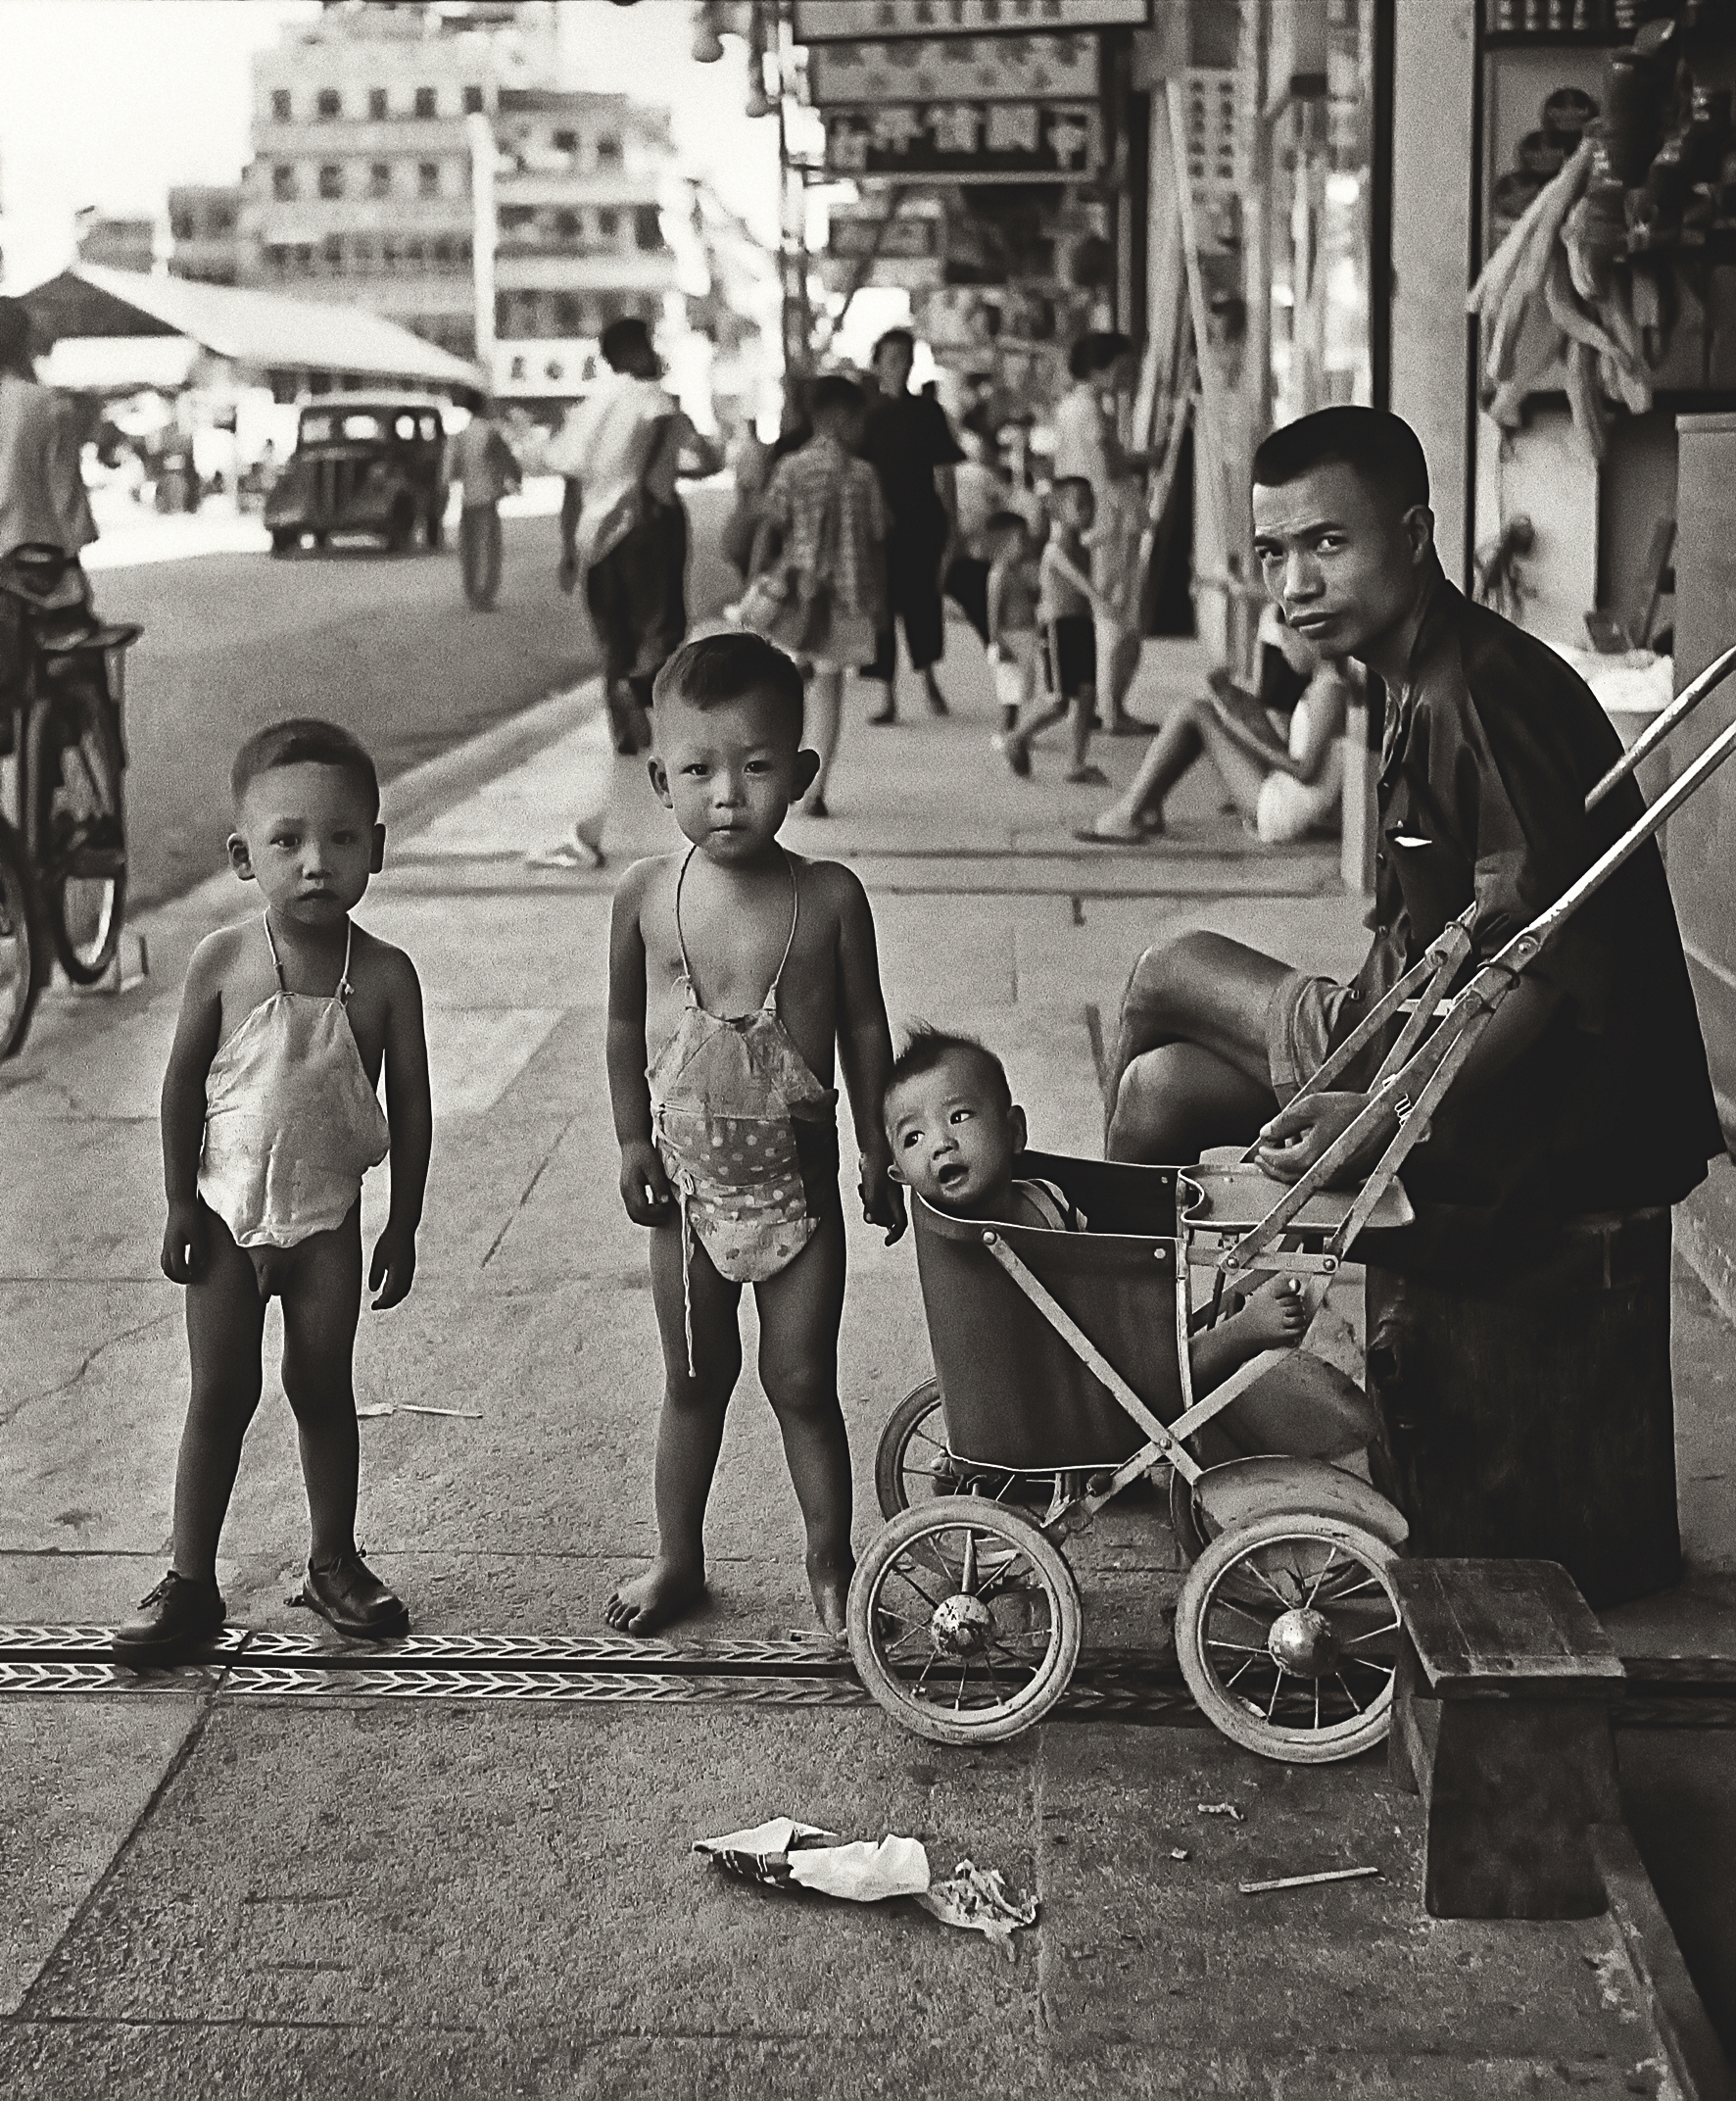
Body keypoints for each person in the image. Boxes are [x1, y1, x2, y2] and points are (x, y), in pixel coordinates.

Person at [1104, 406, 1722, 1244]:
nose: (1295, 585)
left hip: (1523, 1110)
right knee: (1156, 1091)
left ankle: (1088, 1283)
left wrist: (1379, 1116)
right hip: (1404, 1024)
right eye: (1272, 554)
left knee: (1162, 973)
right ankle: (1122, 1331)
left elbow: (1536, 969)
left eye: (1328, 544)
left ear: (1416, 534)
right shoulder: (1418, 670)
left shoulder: (1468, 696)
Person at [112, 721, 432, 1666]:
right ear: (242, 856)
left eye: (342, 839)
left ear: (376, 844)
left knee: (321, 1387)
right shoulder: (221, 960)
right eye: (287, 841)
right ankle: (189, 1579)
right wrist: (178, 1202)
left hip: (328, 1227)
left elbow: (410, 1112)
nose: (316, 863)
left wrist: (403, 1223)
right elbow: (180, 1090)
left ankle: (333, 1561)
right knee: (220, 1393)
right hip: (221, 1221)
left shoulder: (383, 976)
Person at [604, 632, 906, 1637]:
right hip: (686, 1203)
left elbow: (863, 1027)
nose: (726, 794)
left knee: (801, 1382)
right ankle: (675, 1556)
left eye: (756, 766)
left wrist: (878, 1142)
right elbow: (619, 1029)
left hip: (801, 1203)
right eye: (697, 770)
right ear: (659, 777)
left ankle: (831, 1565)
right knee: (692, 1381)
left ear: (802, 772)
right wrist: (628, 1143)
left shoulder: (826, 899)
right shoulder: (646, 899)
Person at [882, 1025, 1310, 1393]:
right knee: (1156, 1376)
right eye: (913, 1138)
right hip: (1068, 1383)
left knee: (1142, 1340)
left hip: (1094, 1336)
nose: (941, 1144)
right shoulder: (960, 1242)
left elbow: (1098, 1251)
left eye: (959, 1117)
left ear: (1014, 1131)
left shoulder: (1046, 1196)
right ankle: (1240, 1335)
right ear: (899, 1173)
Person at [550, 316, 721, 756]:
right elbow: (704, 462)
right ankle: (639, 689)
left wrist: (570, 550)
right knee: (660, 628)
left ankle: (624, 734)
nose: (656, 353)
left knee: (613, 636)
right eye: (649, 344)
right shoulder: (655, 401)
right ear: (634, 351)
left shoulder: (587, 407)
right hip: (648, 526)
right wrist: (690, 428)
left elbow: (571, 487)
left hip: (595, 536)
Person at [1076, 601, 1349, 844]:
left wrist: (1241, 730)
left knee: (1195, 711)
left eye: (1286, 642)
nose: (1286, 654)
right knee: (1203, 709)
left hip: (1281, 812)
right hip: (1284, 796)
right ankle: (1147, 806)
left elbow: (1306, 772)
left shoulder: (1329, 691)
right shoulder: (1325, 685)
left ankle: (1132, 811)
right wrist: (1241, 707)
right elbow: (1293, 757)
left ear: (1308, 637)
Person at [748, 373, 888, 818]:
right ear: (840, 417)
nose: (864, 428)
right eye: (859, 418)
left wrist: (756, 584)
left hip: (795, 597)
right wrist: (879, 602)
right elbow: (880, 537)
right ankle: (815, 791)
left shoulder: (791, 466)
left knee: (781, 693)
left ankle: (771, 782)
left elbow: (769, 526)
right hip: (845, 602)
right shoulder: (865, 473)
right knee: (829, 696)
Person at [860, 327, 964, 724]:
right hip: (879, 529)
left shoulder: (928, 412)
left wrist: (953, 526)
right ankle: (887, 696)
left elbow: (945, 471)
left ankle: (930, 684)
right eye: (892, 358)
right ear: (877, 364)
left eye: (906, 357)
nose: (900, 365)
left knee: (923, 604)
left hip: (923, 521)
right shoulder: (866, 416)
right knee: (881, 612)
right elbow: (861, 474)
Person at [1052, 330, 1150, 735]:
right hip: (1109, 525)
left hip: (1084, 525)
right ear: (1099, 369)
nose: (1128, 376)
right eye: (1122, 368)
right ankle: (1114, 708)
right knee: (1117, 617)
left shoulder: (1070, 409)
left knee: (1100, 614)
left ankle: (1099, 705)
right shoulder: (1093, 413)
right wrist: (1140, 512)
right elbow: (1110, 470)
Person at [994, 476, 1114, 784]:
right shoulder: (1054, 549)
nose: (1090, 512)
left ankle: (1076, 763)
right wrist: (1099, 599)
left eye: (1092, 505)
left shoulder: (1083, 548)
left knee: (1087, 695)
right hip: (1058, 629)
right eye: (1081, 505)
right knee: (1059, 701)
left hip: (1082, 625)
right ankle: (1017, 737)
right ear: (1058, 511)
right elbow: (1078, 580)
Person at [445, 391, 520, 611]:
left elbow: (451, 471)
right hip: (487, 498)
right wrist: (515, 481)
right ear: (484, 407)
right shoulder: (490, 433)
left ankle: (471, 593)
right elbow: (508, 462)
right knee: (488, 547)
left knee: (469, 548)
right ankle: (484, 595)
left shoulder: (460, 435)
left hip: (468, 499)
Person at [984, 510, 1040, 737]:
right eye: (1021, 539)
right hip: (1009, 639)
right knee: (1009, 695)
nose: (1027, 544)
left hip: (1024, 637)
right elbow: (993, 613)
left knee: (1021, 690)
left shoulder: (1019, 571)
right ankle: (1005, 733)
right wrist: (998, 642)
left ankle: (1015, 732)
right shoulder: (999, 574)